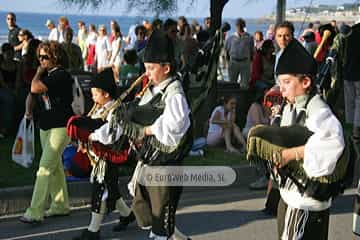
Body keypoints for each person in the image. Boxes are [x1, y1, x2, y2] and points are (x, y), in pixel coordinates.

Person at [87, 30, 192, 240]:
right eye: (145, 68)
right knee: (144, 212)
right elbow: (140, 112)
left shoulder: (175, 94)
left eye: (151, 68)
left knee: (161, 221)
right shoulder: (153, 88)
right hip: (149, 162)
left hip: (165, 165)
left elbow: (176, 126)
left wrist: (146, 130)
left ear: (167, 68)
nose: (147, 73)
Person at [274, 39, 344, 239]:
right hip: (290, 197)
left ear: (306, 82)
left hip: (305, 204)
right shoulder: (292, 105)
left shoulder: (318, 111)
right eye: (280, 83)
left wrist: (289, 154)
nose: (282, 89)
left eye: (287, 82)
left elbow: (332, 144)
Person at [69, 68, 134, 240]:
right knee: (111, 188)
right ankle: (127, 215)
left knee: (99, 189)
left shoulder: (116, 110)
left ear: (105, 94)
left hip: (109, 155)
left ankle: (93, 230)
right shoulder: (100, 108)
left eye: (95, 94)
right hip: (98, 156)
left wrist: (90, 136)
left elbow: (111, 134)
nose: (92, 97)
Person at [20, 41, 74, 223]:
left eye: (45, 57)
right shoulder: (49, 74)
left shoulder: (60, 75)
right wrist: (28, 111)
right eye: (39, 57)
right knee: (56, 167)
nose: (41, 61)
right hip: (45, 126)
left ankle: (35, 211)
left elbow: (35, 87)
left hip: (60, 127)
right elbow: (32, 93)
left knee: (43, 169)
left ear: (55, 57)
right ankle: (60, 205)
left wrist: (37, 73)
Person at [225, 18, 254, 89]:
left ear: (244, 26)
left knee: (245, 84)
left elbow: (251, 51)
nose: (239, 27)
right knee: (232, 83)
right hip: (233, 62)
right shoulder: (231, 38)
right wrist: (228, 62)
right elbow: (227, 51)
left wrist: (250, 63)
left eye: (241, 25)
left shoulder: (249, 37)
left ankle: (243, 99)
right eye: (238, 25)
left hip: (245, 62)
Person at [0, 43, 21, 138]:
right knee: (9, 100)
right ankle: (5, 129)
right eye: (7, 54)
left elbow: (18, 79)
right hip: (3, 88)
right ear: (3, 54)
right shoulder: (1, 65)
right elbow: (2, 82)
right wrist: (11, 91)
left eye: (11, 53)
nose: (10, 56)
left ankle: (19, 127)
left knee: (23, 98)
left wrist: (16, 90)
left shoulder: (17, 64)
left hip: (15, 88)